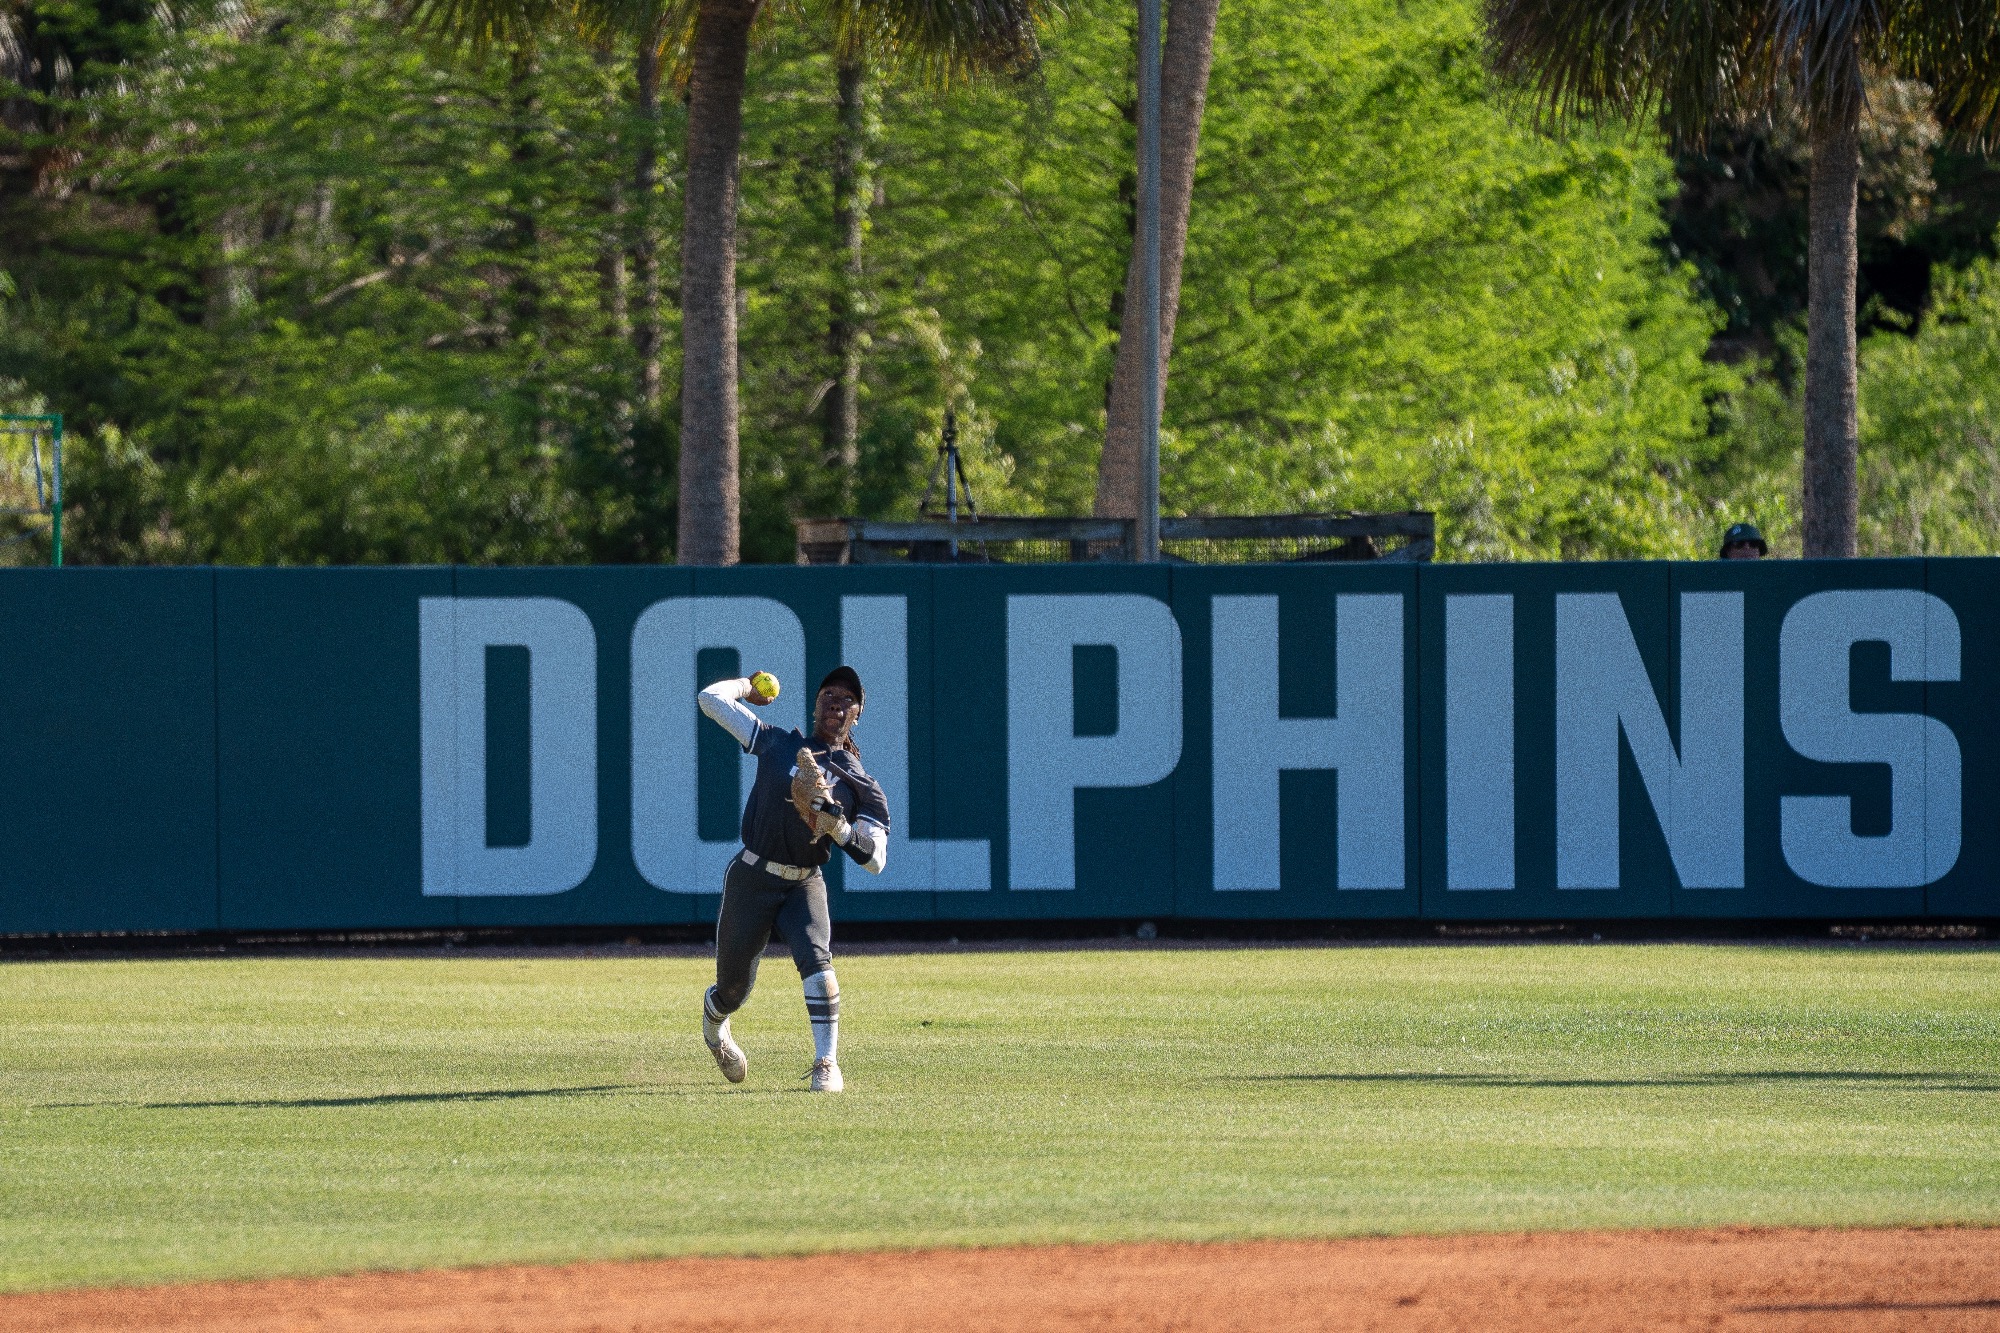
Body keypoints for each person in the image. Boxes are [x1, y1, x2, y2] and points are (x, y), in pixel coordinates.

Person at [695, 665, 889, 1092]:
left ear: (857, 715)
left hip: (804, 881)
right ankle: (715, 1026)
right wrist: (745, 687)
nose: (836, 703)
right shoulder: (779, 743)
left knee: (819, 965)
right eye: (828, 695)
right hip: (752, 875)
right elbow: (709, 699)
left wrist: (839, 828)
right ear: (815, 706)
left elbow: (876, 860)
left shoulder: (861, 784)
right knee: (733, 988)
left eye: (847, 699)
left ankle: (826, 1062)